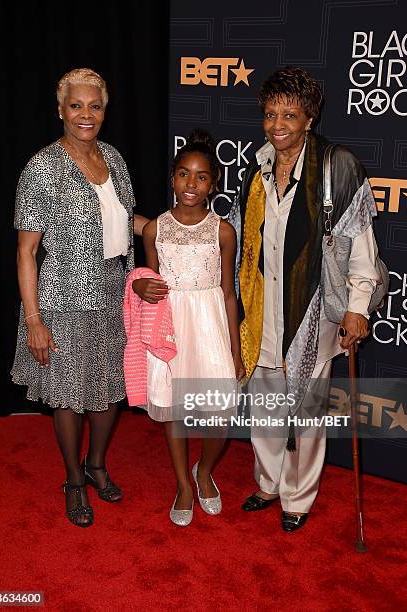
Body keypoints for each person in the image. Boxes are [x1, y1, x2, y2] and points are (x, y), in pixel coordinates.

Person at [229, 66, 381, 532]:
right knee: (266, 404)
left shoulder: (338, 166)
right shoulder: (255, 172)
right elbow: (239, 243)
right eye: (271, 114)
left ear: (309, 118)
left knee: (308, 410)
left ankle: (298, 497)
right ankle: (269, 483)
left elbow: (361, 246)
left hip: (314, 311)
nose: (278, 125)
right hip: (264, 310)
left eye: (289, 114)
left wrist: (357, 308)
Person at [11, 68, 148, 527]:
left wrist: (167, 228)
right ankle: (73, 479)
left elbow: (125, 220)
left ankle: (96, 464)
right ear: (60, 110)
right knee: (69, 397)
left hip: (113, 295)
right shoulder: (42, 167)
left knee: (109, 391)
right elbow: (27, 251)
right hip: (63, 299)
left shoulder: (114, 158)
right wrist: (34, 320)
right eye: (76, 105)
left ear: (105, 111)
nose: (85, 114)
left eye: (94, 106)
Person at [133, 129, 245, 526]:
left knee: (220, 414)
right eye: (183, 174)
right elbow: (146, 280)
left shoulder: (224, 231)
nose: (191, 184)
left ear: (213, 184)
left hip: (211, 323)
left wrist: (235, 350)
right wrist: (139, 284)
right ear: (172, 178)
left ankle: (204, 471)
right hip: (170, 327)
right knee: (174, 407)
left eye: (200, 176)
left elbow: (229, 293)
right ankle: (182, 483)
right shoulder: (154, 229)